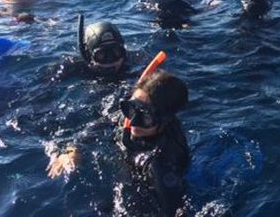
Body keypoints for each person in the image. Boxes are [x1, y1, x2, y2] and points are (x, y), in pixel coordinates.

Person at [48, 70, 191, 216]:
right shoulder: (130, 117)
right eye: (131, 108)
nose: (134, 121)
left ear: (164, 119)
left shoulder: (161, 165)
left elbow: (174, 210)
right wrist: (73, 150)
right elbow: (97, 128)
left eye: (145, 116)